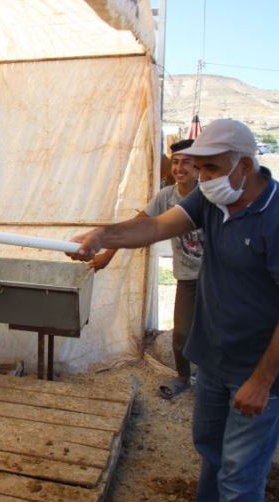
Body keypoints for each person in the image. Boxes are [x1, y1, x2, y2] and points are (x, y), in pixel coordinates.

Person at [68, 118, 279, 502]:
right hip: (213, 355)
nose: (203, 178)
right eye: (199, 169)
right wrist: (103, 236)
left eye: (212, 168)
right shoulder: (210, 199)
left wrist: (263, 380)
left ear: (245, 164)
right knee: (211, 450)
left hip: (256, 366)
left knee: (241, 475)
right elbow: (153, 226)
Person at [89, 138, 202, 400]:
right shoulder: (166, 197)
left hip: (216, 278)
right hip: (187, 278)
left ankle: (218, 382)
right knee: (182, 333)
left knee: (217, 331)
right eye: (175, 162)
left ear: (199, 167)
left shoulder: (208, 194)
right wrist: (107, 252)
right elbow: (137, 226)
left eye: (186, 163)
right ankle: (183, 377)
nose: (179, 168)